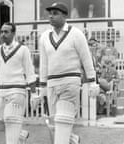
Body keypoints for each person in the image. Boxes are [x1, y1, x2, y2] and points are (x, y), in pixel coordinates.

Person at [32, 2, 99, 144]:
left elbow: (86, 59)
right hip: (51, 84)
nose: (51, 16)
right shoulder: (44, 37)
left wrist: (93, 82)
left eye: (55, 13)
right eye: (50, 13)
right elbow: (44, 64)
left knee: (63, 122)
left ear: (64, 15)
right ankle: (74, 139)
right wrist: (42, 88)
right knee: (54, 125)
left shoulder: (76, 34)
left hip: (70, 82)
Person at [0, 22, 36, 144]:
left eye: (6, 32)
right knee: (0, 124)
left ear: (13, 33)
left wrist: (34, 93)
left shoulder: (23, 50)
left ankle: (16, 136)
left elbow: (30, 72)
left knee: (11, 120)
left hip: (17, 90)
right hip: (1, 91)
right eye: (1, 32)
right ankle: (21, 135)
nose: (3, 35)